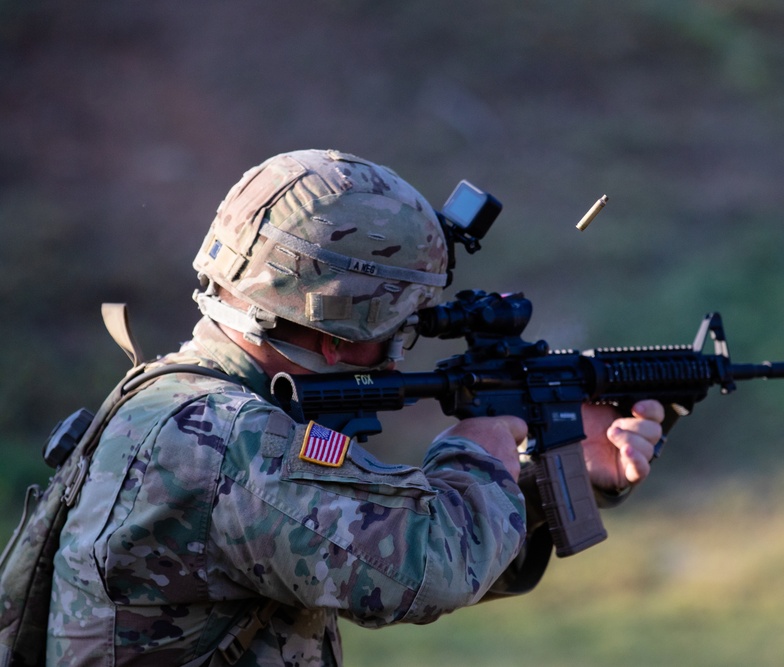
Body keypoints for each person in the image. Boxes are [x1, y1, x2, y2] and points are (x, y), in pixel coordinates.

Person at [47, 149, 665, 665]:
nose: (398, 355)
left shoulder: (175, 400)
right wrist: (483, 447)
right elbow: (426, 570)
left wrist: (547, 475)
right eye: (395, 327)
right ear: (333, 326)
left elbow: (361, 554)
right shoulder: (230, 444)